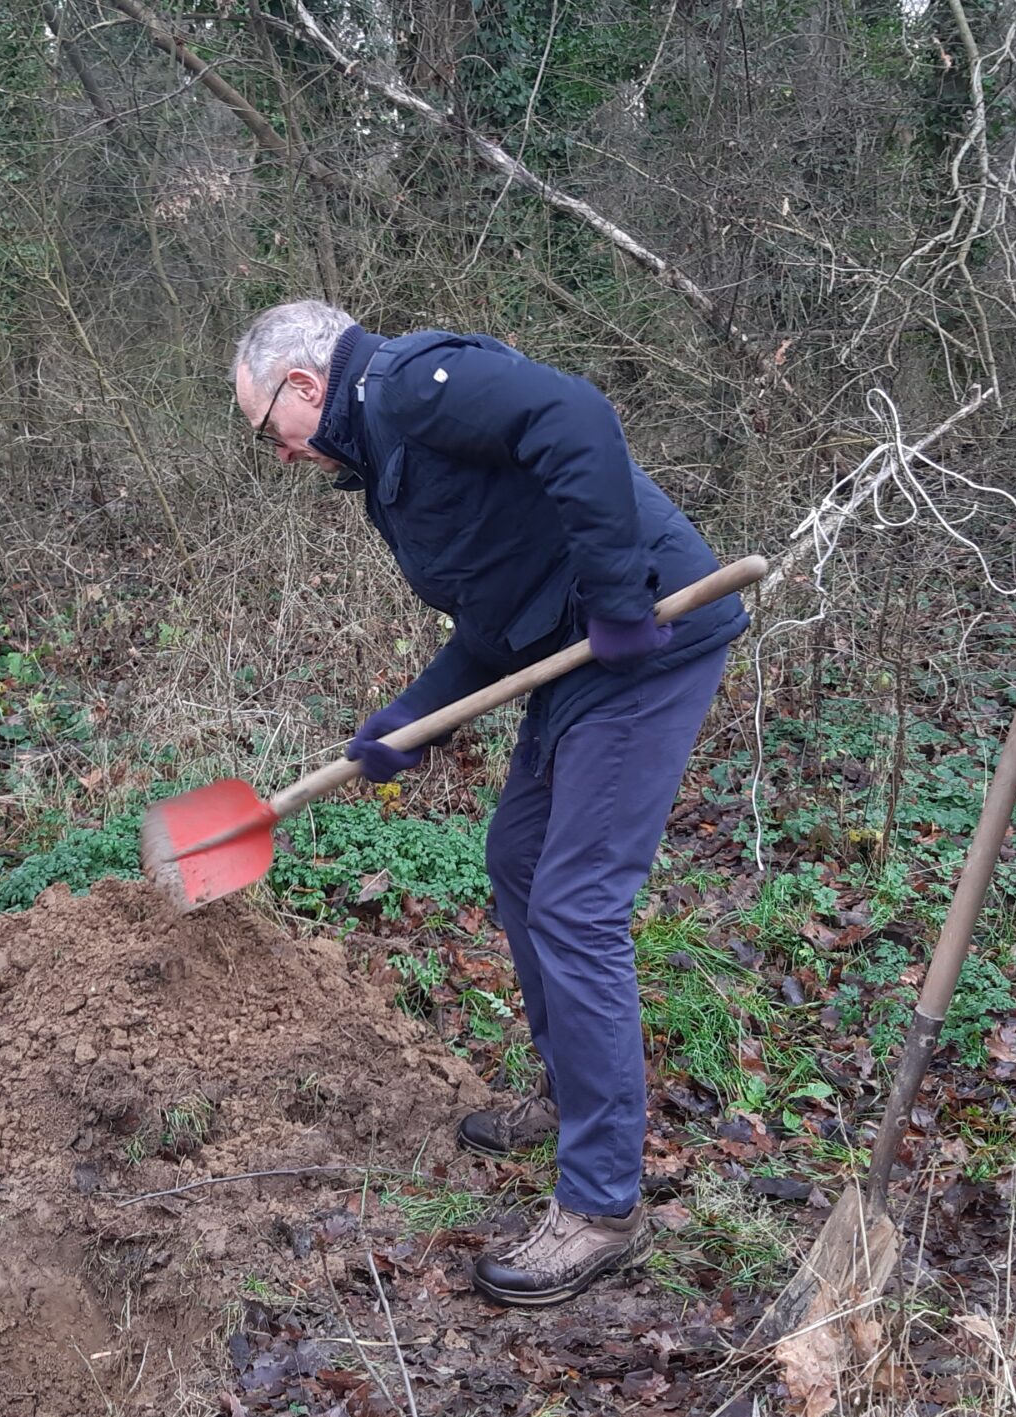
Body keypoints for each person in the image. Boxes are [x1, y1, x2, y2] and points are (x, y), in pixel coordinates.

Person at [236, 301, 748, 1306]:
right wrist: (411, 719)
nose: (281, 454)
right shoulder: (384, 456)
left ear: (303, 386)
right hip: (579, 655)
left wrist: (617, 596)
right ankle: (571, 1095)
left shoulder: (410, 385)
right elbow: (494, 613)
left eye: (269, 432)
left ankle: (601, 1205)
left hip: (648, 637)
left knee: (576, 904)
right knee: (516, 857)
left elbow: (574, 416)